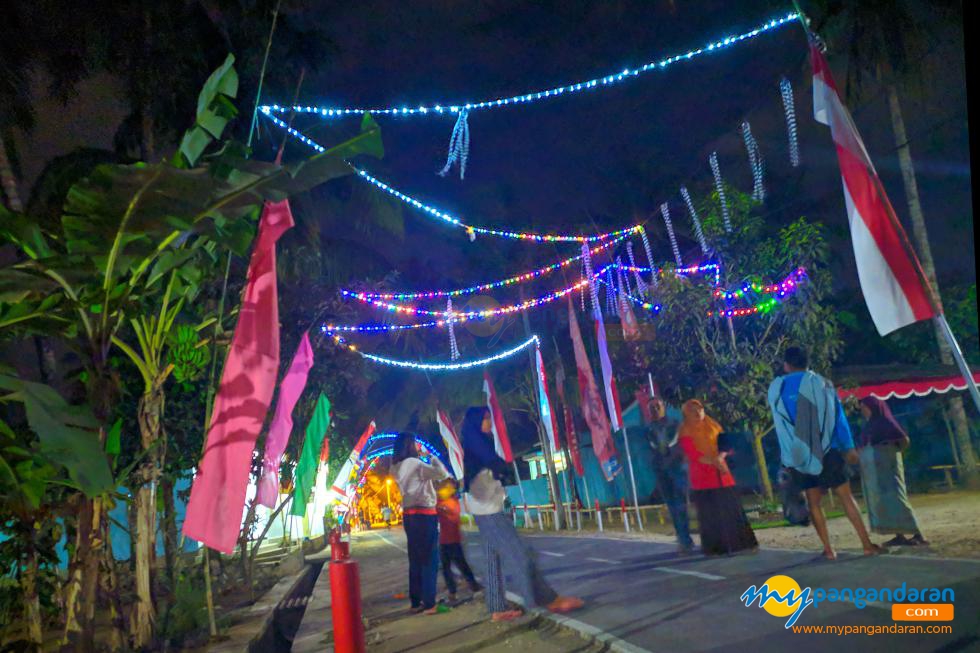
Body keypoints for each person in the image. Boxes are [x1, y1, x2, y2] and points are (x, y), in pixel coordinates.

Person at [461, 406, 583, 622]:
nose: (490, 423)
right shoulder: (477, 445)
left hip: (485, 509)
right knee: (520, 554)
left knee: (493, 560)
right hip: (489, 511)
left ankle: (496, 608)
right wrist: (503, 469)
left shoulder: (476, 445)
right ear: (476, 423)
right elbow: (493, 465)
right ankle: (546, 600)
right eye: (486, 419)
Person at [768, 346, 882, 560]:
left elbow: (782, 426)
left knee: (814, 502)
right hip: (828, 449)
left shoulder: (780, 389)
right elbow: (838, 418)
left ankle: (829, 550)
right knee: (846, 497)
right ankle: (866, 545)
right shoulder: (823, 384)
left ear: (786, 365)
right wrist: (847, 446)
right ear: (807, 362)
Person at [678, 399, 758, 555]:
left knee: (732, 510)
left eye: (699, 408)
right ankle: (716, 548)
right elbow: (692, 454)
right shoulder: (685, 430)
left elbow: (725, 444)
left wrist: (720, 457)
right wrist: (715, 461)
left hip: (722, 475)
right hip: (703, 478)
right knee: (710, 515)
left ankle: (743, 544)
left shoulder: (713, 425)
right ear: (686, 413)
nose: (697, 412)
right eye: (692, 410)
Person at [390, 432, 449, 614]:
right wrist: (430, 456)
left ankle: (416, 601)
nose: (417, 446)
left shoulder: (395, 467)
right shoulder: (416, 464)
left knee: (415, 559)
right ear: (410, 445)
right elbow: (442, 474)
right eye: (415, 443)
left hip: (409, 515)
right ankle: (430, 603)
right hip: (425, 514)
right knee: (430, 559)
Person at [858, 397, 928, 546]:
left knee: (898, 496)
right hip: (877, 468)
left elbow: (904, 440)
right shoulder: (869, 426)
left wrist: (893, 453)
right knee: (887, 499)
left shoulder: (886, 422)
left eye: (865, 407)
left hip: (889, 465)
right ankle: (899, 534)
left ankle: (918, 534)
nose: (863, 410)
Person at [640, 394, 694, 553]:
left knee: (681, 505)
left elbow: (682, 445)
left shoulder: (676, 425)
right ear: (648, 411)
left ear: (664, 407)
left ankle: (685, 538)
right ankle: (682, 538)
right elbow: (648, 451)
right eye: (652, 408)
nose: (655, 410)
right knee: (672, 507)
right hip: (662, 473)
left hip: (677, 470)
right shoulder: (648, 430)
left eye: (658, 406)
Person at [436, 478, 481, 602]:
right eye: (445, 486)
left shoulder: (452, 502)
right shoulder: (440, 501)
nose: (444, 489)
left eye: (448, 487)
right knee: (445, 568)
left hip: (454, 540)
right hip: (443, 541)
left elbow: (452, 513)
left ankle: (473, 586)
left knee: (461, 565)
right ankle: (453, 591)